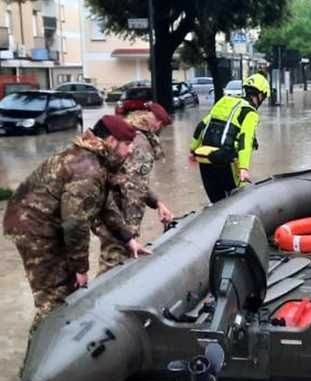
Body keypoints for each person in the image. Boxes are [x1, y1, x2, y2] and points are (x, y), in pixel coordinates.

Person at [2, 115, 143, 329]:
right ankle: (42, 355)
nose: (131, 150)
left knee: (70, 288)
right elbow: (75, 223)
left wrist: (128, 239)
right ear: (112, 141)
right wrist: (81, 269)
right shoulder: (88, 169)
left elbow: (104, 207)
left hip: (47, 221)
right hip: (33, 227)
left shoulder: (96, 160)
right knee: (55, 298)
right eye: (128, 144)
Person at [93, 103, 174, 275]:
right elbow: (133, 188)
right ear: (158, 124)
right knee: (114, 263)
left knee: (114, 258)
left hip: (110, 211)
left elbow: (131, 179)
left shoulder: (129, 131)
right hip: (118, 215)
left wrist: (157, 202)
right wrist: (129, 232)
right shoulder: (141, 143)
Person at [190, 73, 269, 203]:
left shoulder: (223, 102)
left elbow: (201, 126)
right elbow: (245, 139)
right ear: (260, 95)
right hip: (225, 160)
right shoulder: (249, 113)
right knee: (235, 202)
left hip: (205, 158)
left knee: (216, 203)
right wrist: (244, 168)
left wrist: (192, 150)